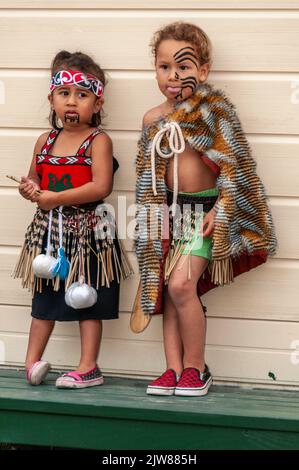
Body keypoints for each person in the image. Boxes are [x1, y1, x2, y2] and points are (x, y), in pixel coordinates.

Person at [132, 22, 277, 397]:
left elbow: (236, 167)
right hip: (170, 216)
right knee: (166, 289)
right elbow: (147, 178)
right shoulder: (152, 120)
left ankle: (197, 368)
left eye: (184, 66)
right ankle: (172, 368)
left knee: (181, 284)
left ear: (204, 71)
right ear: (155, 69)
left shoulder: (213, 112)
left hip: (204, 214)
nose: (173, 75)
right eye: (164, 67)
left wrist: (224, 209)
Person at [14, 50, 132, 389]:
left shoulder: (99, 141)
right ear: (51, 99)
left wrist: (53, 199)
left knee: (88, 297)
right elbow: (34, 179)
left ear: (97, 103)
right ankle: (32, 362)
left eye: (82, 95)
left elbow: (100, 185)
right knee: (44, 298)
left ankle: (88, 366)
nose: (72, 101)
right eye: (64, 93)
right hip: (49, 235)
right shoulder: (44, 141)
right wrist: (31, 190)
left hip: (89, 234)